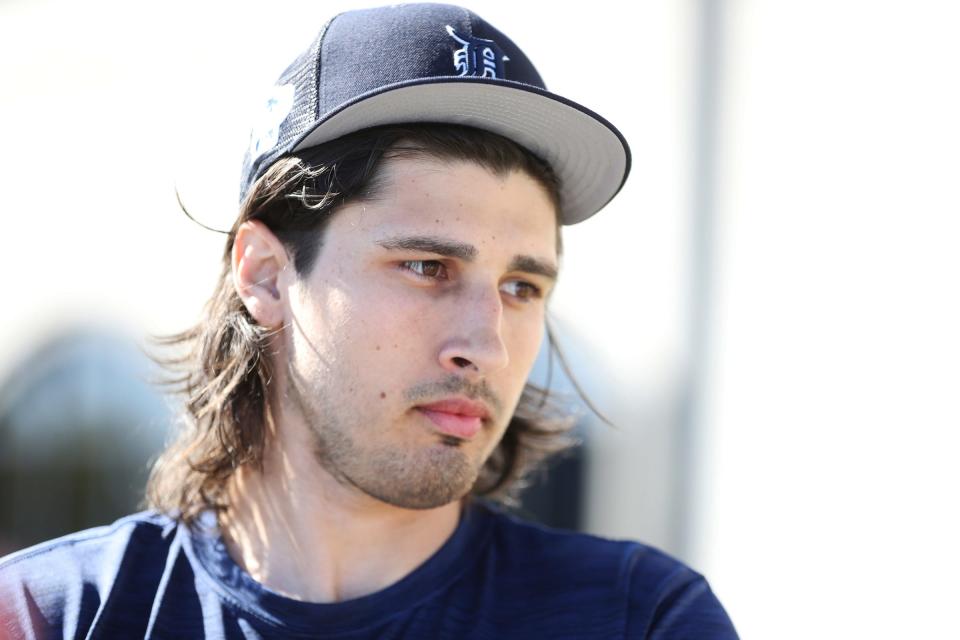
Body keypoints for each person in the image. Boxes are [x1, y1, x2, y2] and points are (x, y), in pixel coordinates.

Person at [0, 4, 737, 638]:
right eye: (426, 267)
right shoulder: (57, 615)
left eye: (520, 285)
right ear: (265, 274)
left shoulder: (634, 619)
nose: (485, 344)